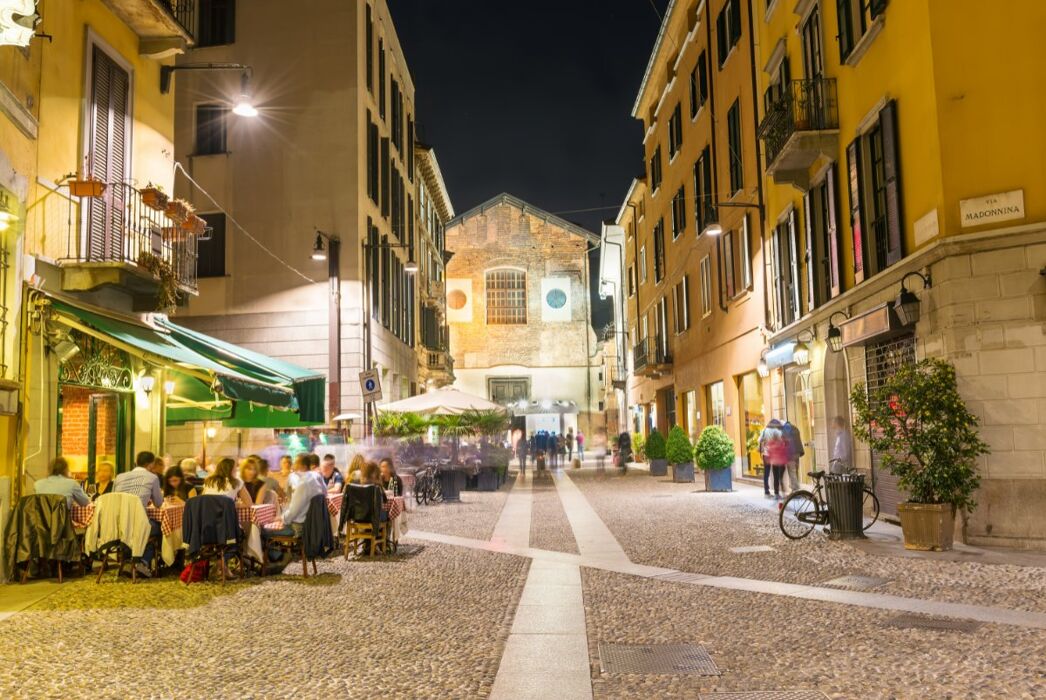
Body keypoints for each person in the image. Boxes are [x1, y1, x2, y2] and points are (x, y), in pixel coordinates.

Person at [113, 451, 165, 577]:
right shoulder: (152, 477)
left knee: (129, 527)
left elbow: (113, 498)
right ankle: (143, 562)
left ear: (136, 461)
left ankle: (127, 560)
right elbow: (158, 503)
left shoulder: (119, 477)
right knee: (157, 528)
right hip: (138, 523)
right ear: (151, 464)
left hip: (117, 523)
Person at [267, 456, 326, 541]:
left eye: (296, 464)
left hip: (299, 528)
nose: (293, 466)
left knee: (264, 530)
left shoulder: (301, 484)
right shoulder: (316, 477)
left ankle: (275, 553)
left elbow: (293, 512)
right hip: (315, 525)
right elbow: (325, 493)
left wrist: (279, 518)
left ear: (304, 467)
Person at [758, 419, 789, 499]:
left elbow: (759, 440)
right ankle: (776, 493)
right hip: (774, 454)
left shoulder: (764, 430)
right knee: (776, 474)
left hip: (766, 454)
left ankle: (766, 492)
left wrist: (766, 442)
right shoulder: (777, 431)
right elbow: (782, 441)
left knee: (766, 474)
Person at [781, 420, 805, 493]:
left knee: (792, 471)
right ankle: (795, 489)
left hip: (790, 453)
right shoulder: (795, 428)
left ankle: (795, 490)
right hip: (797, 452)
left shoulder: (784, 429)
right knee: (795, 471)